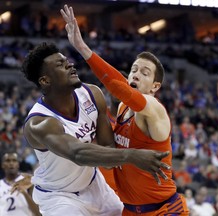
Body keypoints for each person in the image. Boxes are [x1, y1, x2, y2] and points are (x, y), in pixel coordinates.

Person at [21, 28, 170, 216]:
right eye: (61, 65)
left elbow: (108, 149)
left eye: (67, 61)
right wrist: (132, 155)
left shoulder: (92, 94)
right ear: (45, 80)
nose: (70, 65)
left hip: (94, 185)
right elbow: (77, 153)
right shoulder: (40, 123)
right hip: (59, 196)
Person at [61, 4, 189, 215]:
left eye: (145, 73)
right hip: (129, 210)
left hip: (164, 210)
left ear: (155, 86)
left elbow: (117, 86)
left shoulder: (154, 109)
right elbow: (119, 87)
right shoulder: (122, 107)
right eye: (134, 70)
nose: (136, 74)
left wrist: (84, 49)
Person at [0, 151, 41, 216]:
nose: (11, 163)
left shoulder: (27, 180)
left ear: (18, 164)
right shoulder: (1, 184)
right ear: (2, 165)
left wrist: (24, 193)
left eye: (14, 160)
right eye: (7, 161)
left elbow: (38, 213)